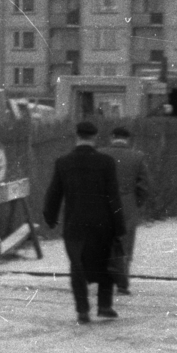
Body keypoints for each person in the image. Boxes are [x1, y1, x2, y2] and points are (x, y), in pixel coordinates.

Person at [42, 120, 126, 324]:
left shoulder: (63, 162)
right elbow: (113, 196)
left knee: (77, 266)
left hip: (75, 224)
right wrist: (119, 224)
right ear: (94, 138)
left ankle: (82, 310)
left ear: (77, 137)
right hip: (102, 224)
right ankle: (104, 306)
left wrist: (50, 218)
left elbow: (54, 194)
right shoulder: (106, 162)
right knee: (104, 264)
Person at [104, 126, 151, 295]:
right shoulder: (137, 157)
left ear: (112, 137)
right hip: (127, 205)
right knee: (125, 244)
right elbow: (143, 186)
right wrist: (136, 203)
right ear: (128, 139)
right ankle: (122, 283)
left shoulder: (100, 154)